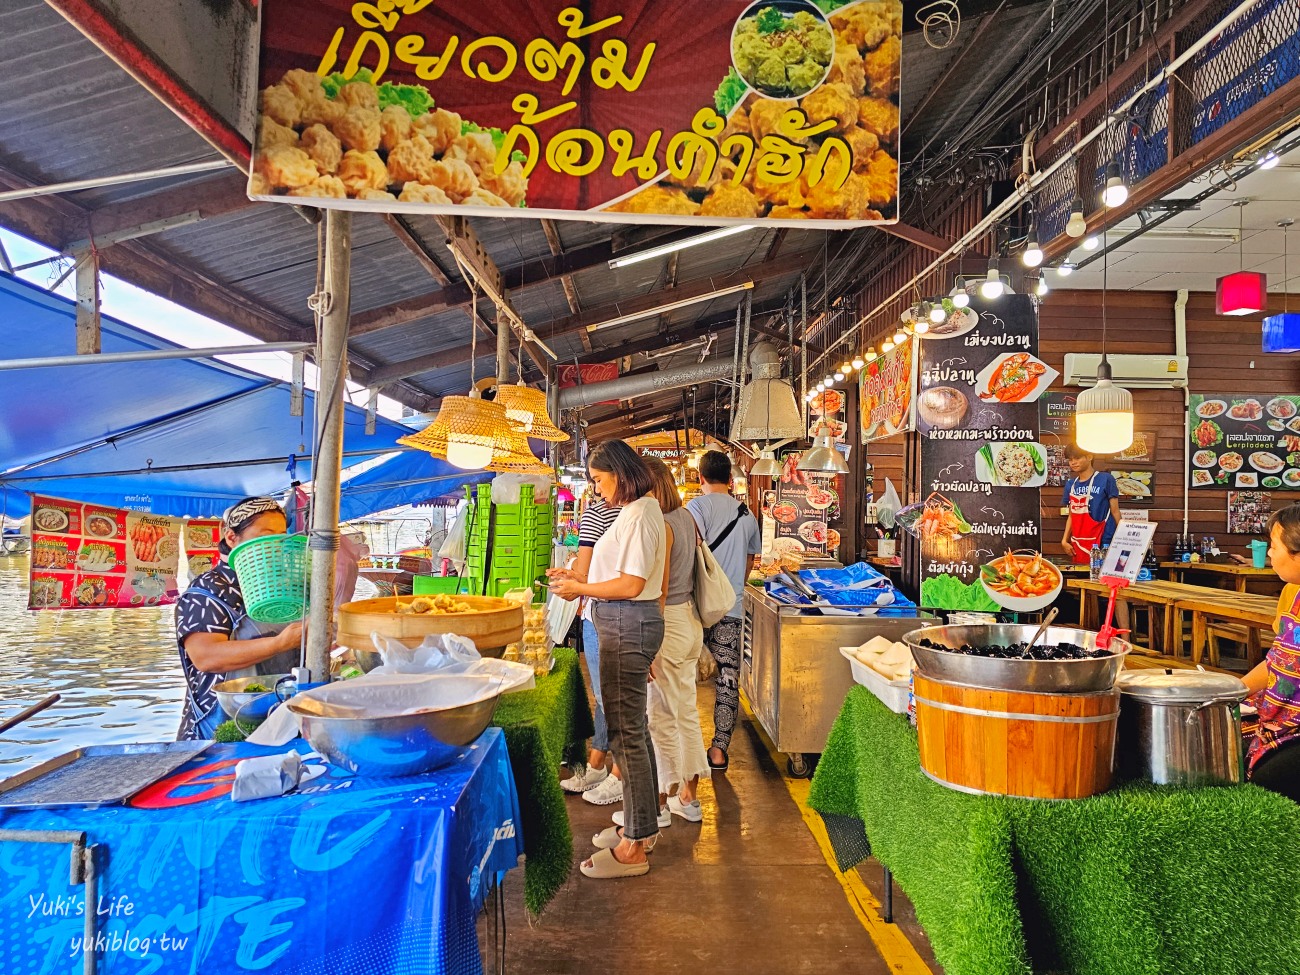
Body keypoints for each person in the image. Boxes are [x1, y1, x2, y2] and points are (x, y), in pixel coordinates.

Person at [549, 441, 666, 878]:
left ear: (620, 472)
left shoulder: (638, 514)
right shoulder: (641, 511)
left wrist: (582, 589)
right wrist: (578, 578)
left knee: (625, 733)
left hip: (626, 620)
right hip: (626, 621)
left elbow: (632, 584)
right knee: (632, 730)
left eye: (599, 480)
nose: (596, 491)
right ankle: (643, 828)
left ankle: (635, 845)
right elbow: (619, 576)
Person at [174, 497, 303, 740]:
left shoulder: (281, 588)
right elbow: (206, 657)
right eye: (266, 534)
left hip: (276, 721)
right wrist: (281, 643)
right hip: (220, 731)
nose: (276, 543)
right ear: (232, 538)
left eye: (281, 535)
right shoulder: (207, 590)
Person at [643, 457, 710, 822]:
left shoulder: (663, 525)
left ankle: (669, 799)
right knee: (679, 710)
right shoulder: (686, 518)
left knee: (666, 714)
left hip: (667, 622)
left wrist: (650, 641)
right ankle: (682, 796)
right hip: (689, 622)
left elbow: (659, 590)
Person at [687, 450, 762, 772]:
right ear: (731, 479)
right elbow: (749, 562)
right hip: (730, 607)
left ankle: (685, 749)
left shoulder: (696, 508)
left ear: (700, 477)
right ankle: (719, 751)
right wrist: (731, 589)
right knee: (728, 678)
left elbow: (689, 555)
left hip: (697, 607)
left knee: (683, 677)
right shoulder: (747, 514)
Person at [558, 495, 625, 801]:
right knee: (607, 695)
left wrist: (573, 579)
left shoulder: (597, 513)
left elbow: (586, 574)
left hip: (603, 612)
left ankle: (620, 774)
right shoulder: (649, 513)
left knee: (611, 697)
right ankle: (598, 763)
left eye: (598, 480)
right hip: (621, 613)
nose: (597, 488)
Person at [1243, 504, 1300, 803]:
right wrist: (1231, 691)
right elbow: (1278, 660)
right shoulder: (1294, 594)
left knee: (1269, 780)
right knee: (1230, 742)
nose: (1269, 554)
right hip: (1281, 719)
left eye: (1274, 547)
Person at [1059, 445, 1121, 564]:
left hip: (1104, 538)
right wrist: (1064, 540)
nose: (1073, 462)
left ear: (1089, 457)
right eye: (1070, 460)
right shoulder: (1071, 485)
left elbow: (1115, 511)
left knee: (1102, 576)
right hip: (1079, 540)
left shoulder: (1106, 479)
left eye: (1077, 458)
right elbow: (1072, 515)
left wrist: (1123, 537)